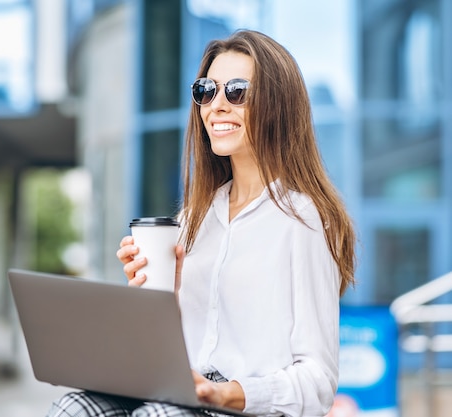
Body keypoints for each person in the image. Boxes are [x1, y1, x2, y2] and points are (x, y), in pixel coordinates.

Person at [46, 29, 356, 417]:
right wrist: (162, 295)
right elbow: (178, 349)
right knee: (73, 408)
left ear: (278, 105)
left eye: (237, 91)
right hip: (184, 392)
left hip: (245, 407)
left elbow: (319, 381)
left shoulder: (304, 218)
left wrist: (226, 393)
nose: (217, 106)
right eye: (206, 91)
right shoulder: (193, 219)